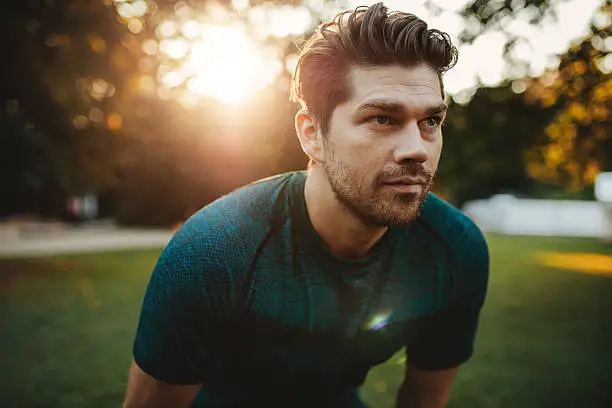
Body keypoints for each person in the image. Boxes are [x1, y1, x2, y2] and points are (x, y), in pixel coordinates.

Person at [123, 3, 489, 408]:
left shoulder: (454, 250)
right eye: (383, 119)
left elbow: (424, 401)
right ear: (312, 134)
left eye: (431, 122)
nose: (416, 149)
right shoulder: (213, 252)